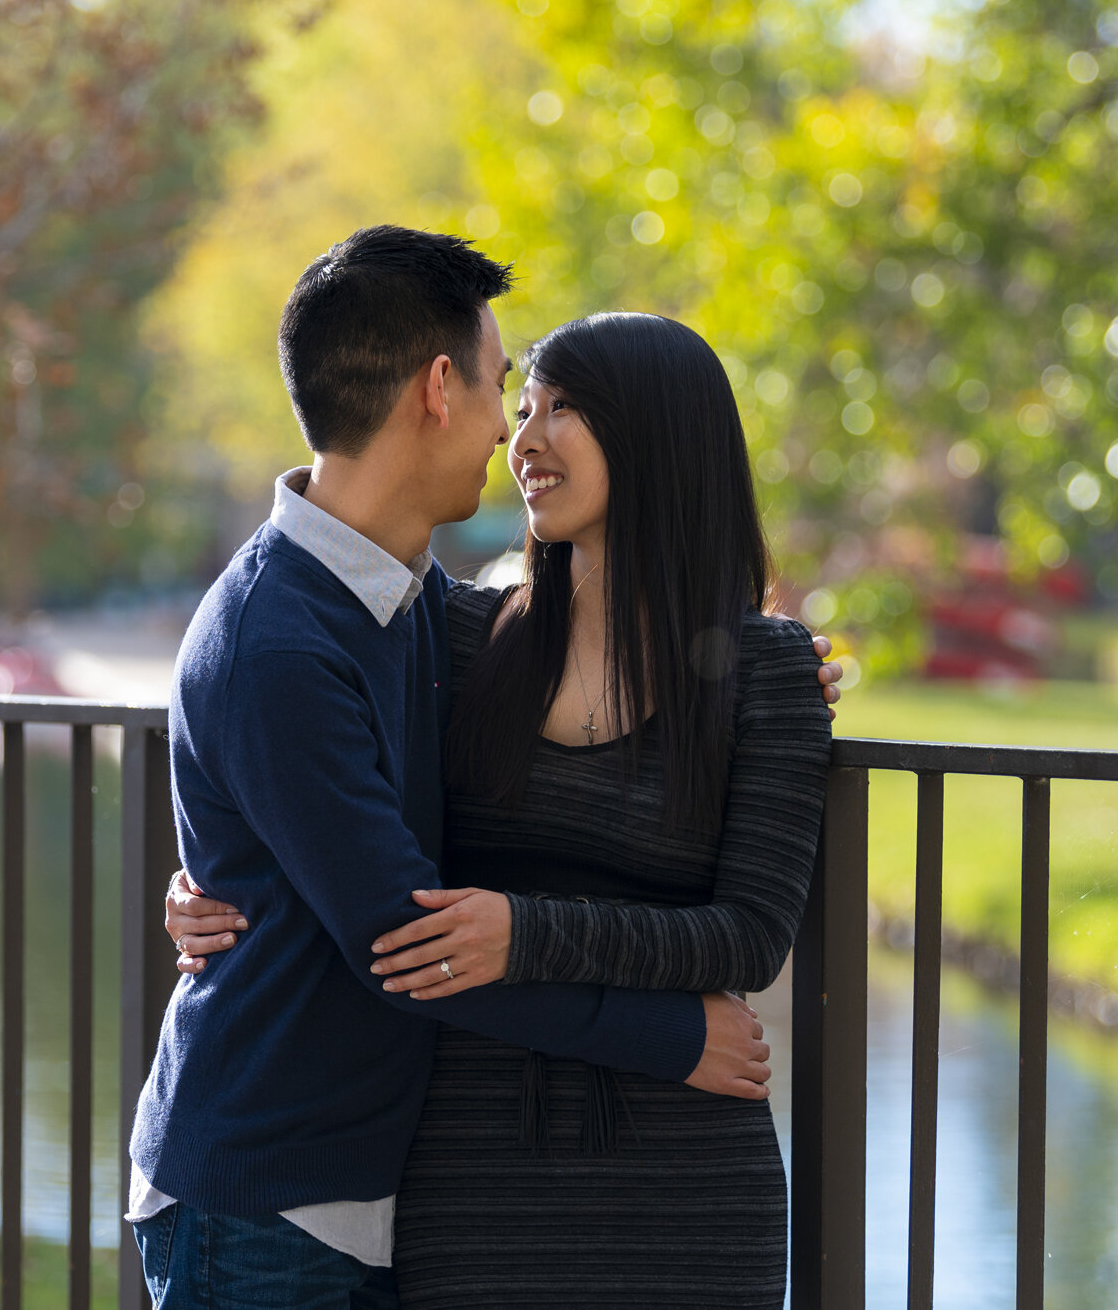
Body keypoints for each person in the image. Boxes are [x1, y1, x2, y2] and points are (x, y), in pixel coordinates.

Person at [129, 227, 835, 1310]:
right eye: (515, 391)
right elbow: (396, 935)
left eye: (558, 404)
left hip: (471, 1183)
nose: (517, 429)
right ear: (437, 387)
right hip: (303, 1184)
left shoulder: (413, 611)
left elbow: (750, 921)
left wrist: (759, 685)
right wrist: (669, 1031)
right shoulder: (328, 636)